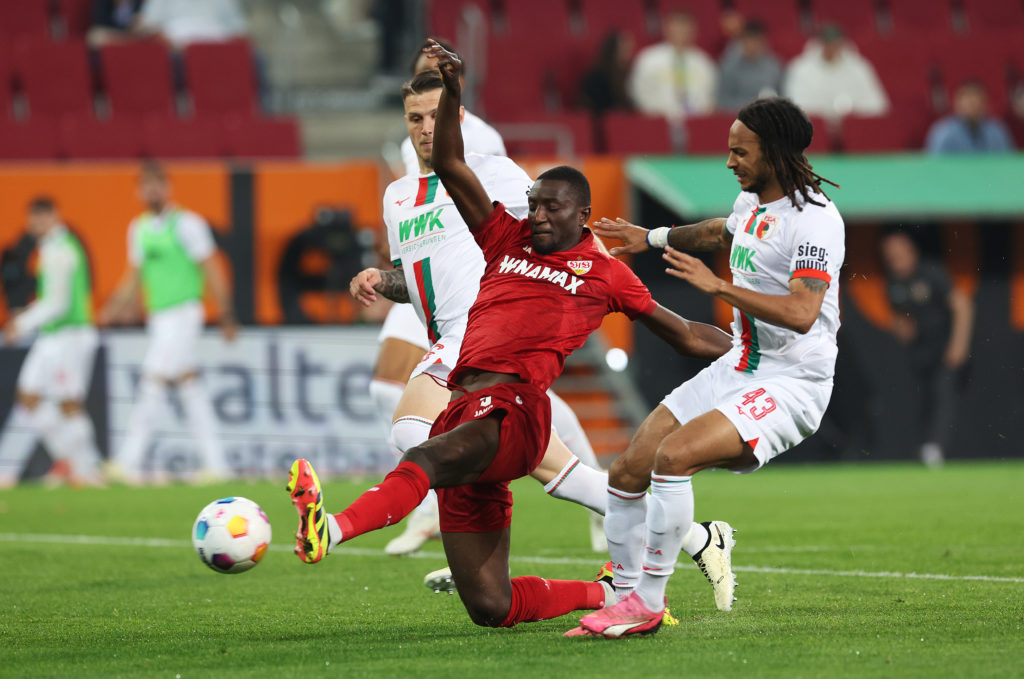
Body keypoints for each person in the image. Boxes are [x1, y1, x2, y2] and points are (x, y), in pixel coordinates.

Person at [288, 41, 733, 631]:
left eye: (552, 208)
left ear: (582, 213)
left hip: (510, 402)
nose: (539, 215)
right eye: (535, 205)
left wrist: (753, 351)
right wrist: (384, 277)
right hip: (465, 384)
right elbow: (448, 169)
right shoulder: (503, 235)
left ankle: (334, 527)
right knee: (491, 606)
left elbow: (683, 336)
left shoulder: (600, 272)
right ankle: (616, 587)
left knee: (415, 443)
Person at [583, 96, 845, 637]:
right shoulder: (751, 204)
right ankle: (625, 592)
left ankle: (648, 604)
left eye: (740, 152)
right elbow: (720, 232)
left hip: (793, 382)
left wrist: (718, 286)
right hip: (740, 363)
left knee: (673, 458)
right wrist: (650, 238)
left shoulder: (816, 221)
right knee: (627, 471)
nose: (730, 162)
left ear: (773, 151)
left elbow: (802, 312)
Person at [375, 55, 606, 560]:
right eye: (415, 118)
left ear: (458, 115)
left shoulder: (492, 166)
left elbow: (547, 228)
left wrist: (596, 266)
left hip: (486, 330)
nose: (425, 128)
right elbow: (419, 272)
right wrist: (382, 280)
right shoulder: (396, 196)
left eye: (437, 115)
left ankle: (430, 512)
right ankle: (664, 521)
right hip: (445, 332)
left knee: (412, 430)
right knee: (547, 464)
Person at [100, 162, 237, 484]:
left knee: (153, 379)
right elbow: (133, 277)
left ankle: (127, 462)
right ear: (138, 191)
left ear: (168, 187)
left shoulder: (188, 224)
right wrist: (114, 307)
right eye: (146, 185)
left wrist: (227, 313)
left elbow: (211, 268)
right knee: (189, 386)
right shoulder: (139, 228)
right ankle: (217, 465)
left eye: (157, 184)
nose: (152, 190)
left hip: (185, 312)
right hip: (159, 317)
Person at [0, 198, 103, 488]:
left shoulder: (60, 250)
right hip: (52, 335)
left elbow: (57, 303)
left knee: (68, 402)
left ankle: (87, 471)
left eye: (43, 218)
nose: (37, 224)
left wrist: (20, 323)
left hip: (70, 334)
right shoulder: (49, 248)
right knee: (29, 397)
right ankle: (76, 461)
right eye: (33, 219)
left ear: (56, 217)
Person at [880, 230, 973, 466]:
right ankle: (925, 446)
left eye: (898, 255)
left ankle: (935, 448)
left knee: (944, 396)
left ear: (911, 252)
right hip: (919, 352)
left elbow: (962, 305)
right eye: (889, 257)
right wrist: (901, 328)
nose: (895, 261)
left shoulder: (931, 272)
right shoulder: (893, 282)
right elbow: (901, 321)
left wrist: (958, 345)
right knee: (922, 400)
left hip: (945, 347)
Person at [784, 24, 888, 121]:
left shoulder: (860, 68)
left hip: (856, 130)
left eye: (835, 43)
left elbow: (877, 105)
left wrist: (850, 110)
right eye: (827, 43)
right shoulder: (800, 69)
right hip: (815, 132)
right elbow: (796, 107)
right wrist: (828, 113)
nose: (831, 47)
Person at [627, 9, 717, 119]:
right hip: (657, 122)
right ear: (666, 28)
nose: (681, 32)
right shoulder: (648, 59)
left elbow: (711, 96)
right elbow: (638, 92)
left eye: (685, 27)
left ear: (694, 30)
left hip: (697, 122)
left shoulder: (704, 62)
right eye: (677, 27)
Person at [925, 80, 1016, 154]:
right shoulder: (943, 132)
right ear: (956, 103)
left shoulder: (998, 131)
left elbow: (1007, 164)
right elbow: (935, 168)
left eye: (976, 100)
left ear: (986, 103)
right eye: (967, 100)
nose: (972, 105)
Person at [717, 21, 782, 112]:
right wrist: (753, 107)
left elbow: (782, 99)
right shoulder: (729, 68)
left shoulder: (774, 67)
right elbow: (723, 102)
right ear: (742, 41)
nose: (752, 45)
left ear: (764, 42)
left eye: (757, 41)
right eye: (749, 40)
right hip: (736, 120)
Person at [133, 0, 247, 49]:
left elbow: (237, 28)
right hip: (175, 49)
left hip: (218, 49)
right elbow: (148, 25)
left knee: (255, 58)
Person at [579, 32, 634, 115]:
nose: (628, 53)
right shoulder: (598, 76)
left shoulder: (628, 74)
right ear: (612, 50)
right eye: (624, 49)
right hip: (605, 120)